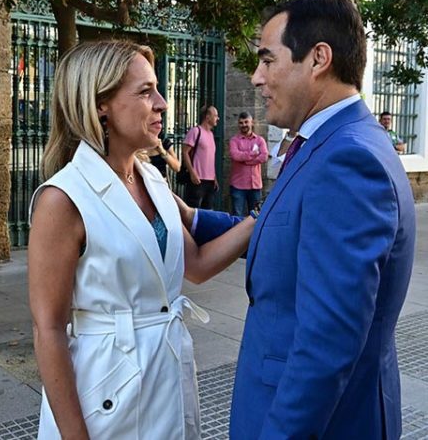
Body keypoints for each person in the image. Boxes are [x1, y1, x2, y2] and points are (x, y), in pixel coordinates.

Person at [28, 40, 256, 439]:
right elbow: (48, 329)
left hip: (165, 373)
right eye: (145, 91)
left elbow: (197, 264)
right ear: (101, 104)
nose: (163, 103)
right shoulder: (63, 199)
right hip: (106, 391)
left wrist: (261, 220)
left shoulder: (151, 178)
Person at [230, 0, 416, 439]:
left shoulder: (347, 160)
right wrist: (195, 220)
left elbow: (325, 345)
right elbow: (291, 231)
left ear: (318, 59)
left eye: (267, 60)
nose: (256, 78)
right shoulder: (332, 141)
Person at [228, 112, 268, 215]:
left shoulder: (260, 140)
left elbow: (264, 156)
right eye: (241, 123)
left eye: (246, 122)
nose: (244, 125)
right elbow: (235, 155)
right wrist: (253, 154)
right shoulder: (234, 140)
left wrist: (246, 160)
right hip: (238, 186)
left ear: (252, 122)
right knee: (237, 215)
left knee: (255, 216)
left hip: (255, 186)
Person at [182, 105, 219, 209]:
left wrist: (214, 177)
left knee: (208, 210)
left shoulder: (211, 134)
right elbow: (185, 152)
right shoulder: (195, 131)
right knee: (193, 210)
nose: (218, 118)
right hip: (197, 180)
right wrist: (192, 172)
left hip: (210, 181)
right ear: (207, 117)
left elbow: (210, 157)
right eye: (215, 116)